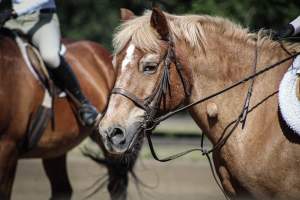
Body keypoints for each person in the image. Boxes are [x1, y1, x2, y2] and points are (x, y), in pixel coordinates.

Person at [0, 0, 98, 127]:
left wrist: (15, 11)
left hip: (42, 19)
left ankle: (84, 103)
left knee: (50, 56)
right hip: (13, 21)